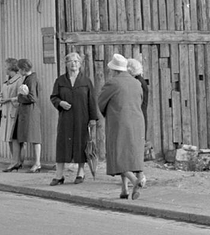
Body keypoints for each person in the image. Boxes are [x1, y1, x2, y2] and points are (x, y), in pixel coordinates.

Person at [99, 51, 145, 199]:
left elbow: (101, 103)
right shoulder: (136, 83)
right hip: (137, 121)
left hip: (119, 122)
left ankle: (133, 180)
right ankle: (124, 189)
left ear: (113, 69)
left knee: (117, 154)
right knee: (130, 154)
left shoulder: (112, 83)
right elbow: (141, 100)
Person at [49, 50, 99, 185]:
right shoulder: (60, 81)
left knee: (81, 144)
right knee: (62, 144)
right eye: (70, 61)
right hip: (65, 118)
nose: (73, 64)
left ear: (80, 64)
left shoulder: (86, 81)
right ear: (66, 64)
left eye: (76, 61)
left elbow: (92, 100)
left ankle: (80, 173)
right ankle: (59, 175)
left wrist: (93, 118)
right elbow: (53, 97)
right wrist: (60, 103)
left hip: (82, 118)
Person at [13, 58, 42, 173]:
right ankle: (23, 161)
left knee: (34, 137)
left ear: (24, 69)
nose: (19, 71)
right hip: (28, 111)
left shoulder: (31, 79)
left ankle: (37, 163)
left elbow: (32, 97)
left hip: (31, 111)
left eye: (19, 69)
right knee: (26, 137)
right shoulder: (30, 78)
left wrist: (19, 97)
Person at [126, 56, 150, 190]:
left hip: (137, 117)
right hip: (140, 115)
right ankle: (138, 175)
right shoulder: (140, 81)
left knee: (135, 146)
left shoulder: (138, 83)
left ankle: (140, 176)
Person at [0, 59, 24, 171]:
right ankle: (15, 160)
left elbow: (21, 97)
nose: (4, 68)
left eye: (5, 66)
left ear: (10, 68)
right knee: (9, 138)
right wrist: (0, 98)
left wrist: (7, 99)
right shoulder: (7, 81)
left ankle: (16, 161)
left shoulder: (19, 80)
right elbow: (1, 93)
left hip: (14, 113)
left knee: (14, 138)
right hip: (6, 113)